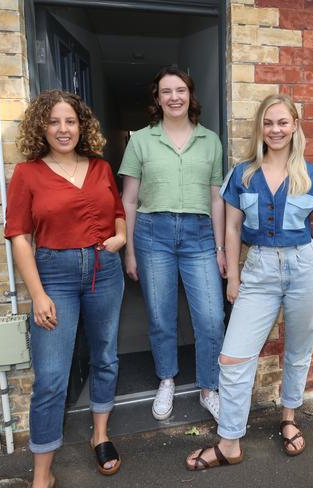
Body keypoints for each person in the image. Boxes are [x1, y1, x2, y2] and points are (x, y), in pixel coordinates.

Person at [185, 93, 313, 470]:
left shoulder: (312, 175)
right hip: (257, 273)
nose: (275, 130)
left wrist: (297, 245)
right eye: (268, 123)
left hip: (306, 270)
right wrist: (233, 278)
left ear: (294, 126)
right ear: (260, 128)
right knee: (233, 356)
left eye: (282, 122)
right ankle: (230, 442)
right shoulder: (243, 174)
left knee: (298, 351)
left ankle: (289, 418)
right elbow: (233, 228)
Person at [5, 90, 126, 487]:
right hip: (54, 275)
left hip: (103, 270)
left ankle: (100, 434)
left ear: (81, 126)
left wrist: (121, 238)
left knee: (105, 356)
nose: (63, 129)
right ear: (42, 126)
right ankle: (43, 474)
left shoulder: (99, 168)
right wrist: (38, 295)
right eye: (54, 121)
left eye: (70, 121)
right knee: (52, 375)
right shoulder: (28, 173)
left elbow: (119, 211)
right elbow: (20, 236)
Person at [119, 66, 225, 422]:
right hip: (152, 234)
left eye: (180, 90)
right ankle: (167, 378)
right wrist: (130, 251)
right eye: (166, 91)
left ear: (190, 95)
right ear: (157, 98)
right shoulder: (141, 140)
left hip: (199, 235)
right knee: (161, 315)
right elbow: (129, 200)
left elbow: (216, 199)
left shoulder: (210, 140)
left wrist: (221, 248)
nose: (174, 97)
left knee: (210, 316)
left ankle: (209, 386)